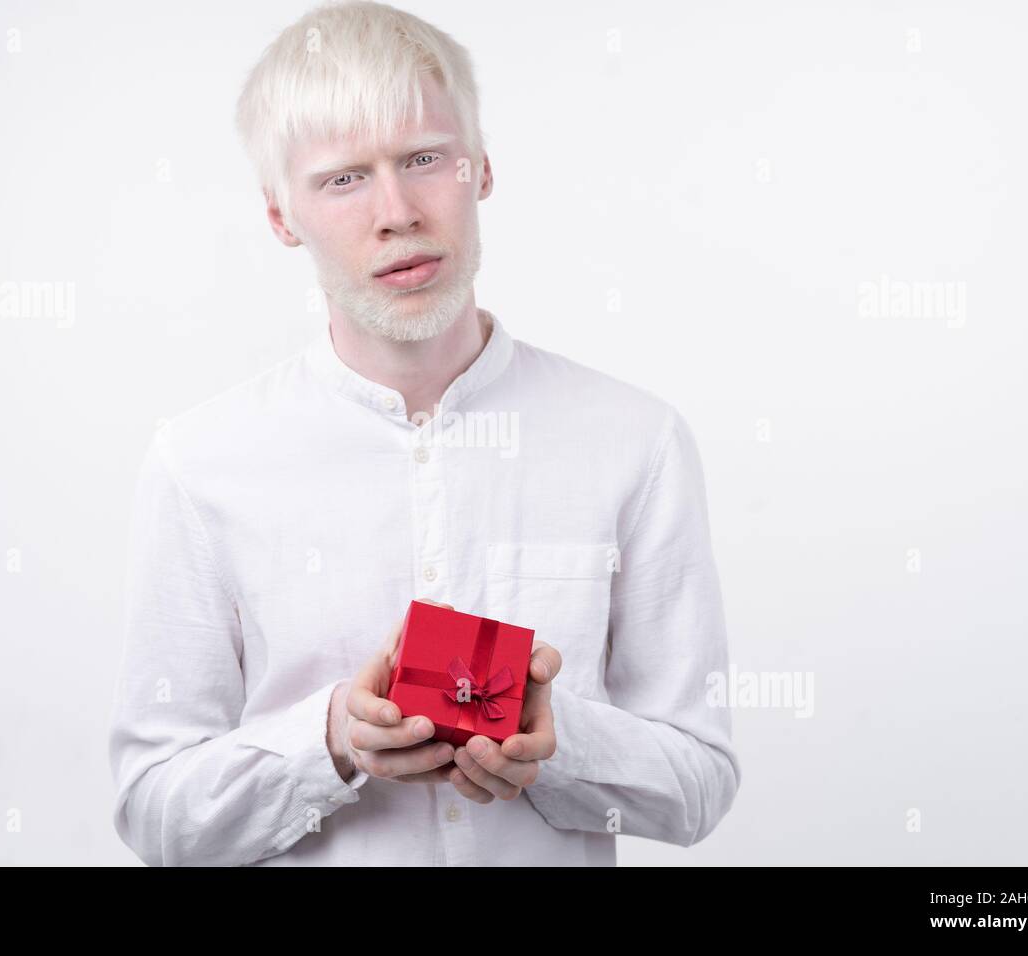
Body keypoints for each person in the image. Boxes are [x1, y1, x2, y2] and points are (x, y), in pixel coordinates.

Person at [107, 0, 740, 866]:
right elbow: (155, 815)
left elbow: (699, 785)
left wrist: (561, 743)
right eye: (343, 178)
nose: (397, 211)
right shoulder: (199, 465)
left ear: (480, 168)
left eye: (424, 159)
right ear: (281, 217)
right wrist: (328, 740)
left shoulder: (638, 441)